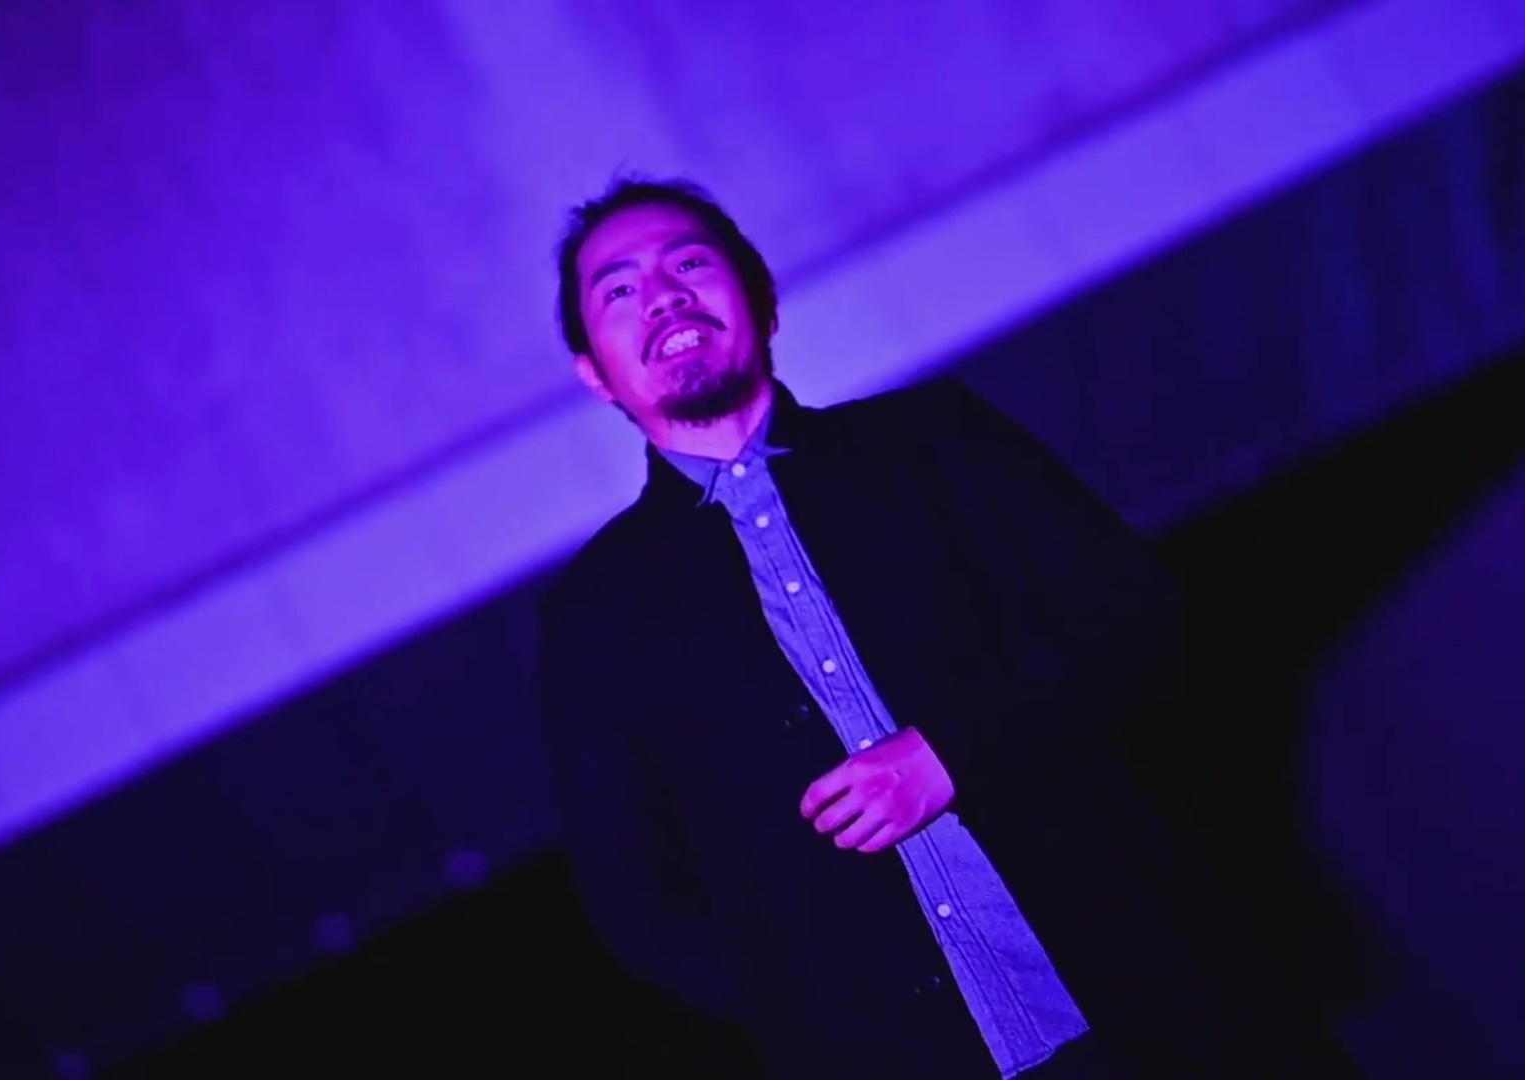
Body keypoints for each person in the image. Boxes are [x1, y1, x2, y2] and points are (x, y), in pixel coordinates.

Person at [533, 176, 1358, 1079]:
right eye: (620, 289)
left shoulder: (933, 439)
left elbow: (1137, 617)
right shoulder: (596, 616)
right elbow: (636, 901)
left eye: (691, 263)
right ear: (593, 373)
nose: (663, 296)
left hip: (1157, 992)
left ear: (761, 296)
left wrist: (951, 755)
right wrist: (814, 1002)